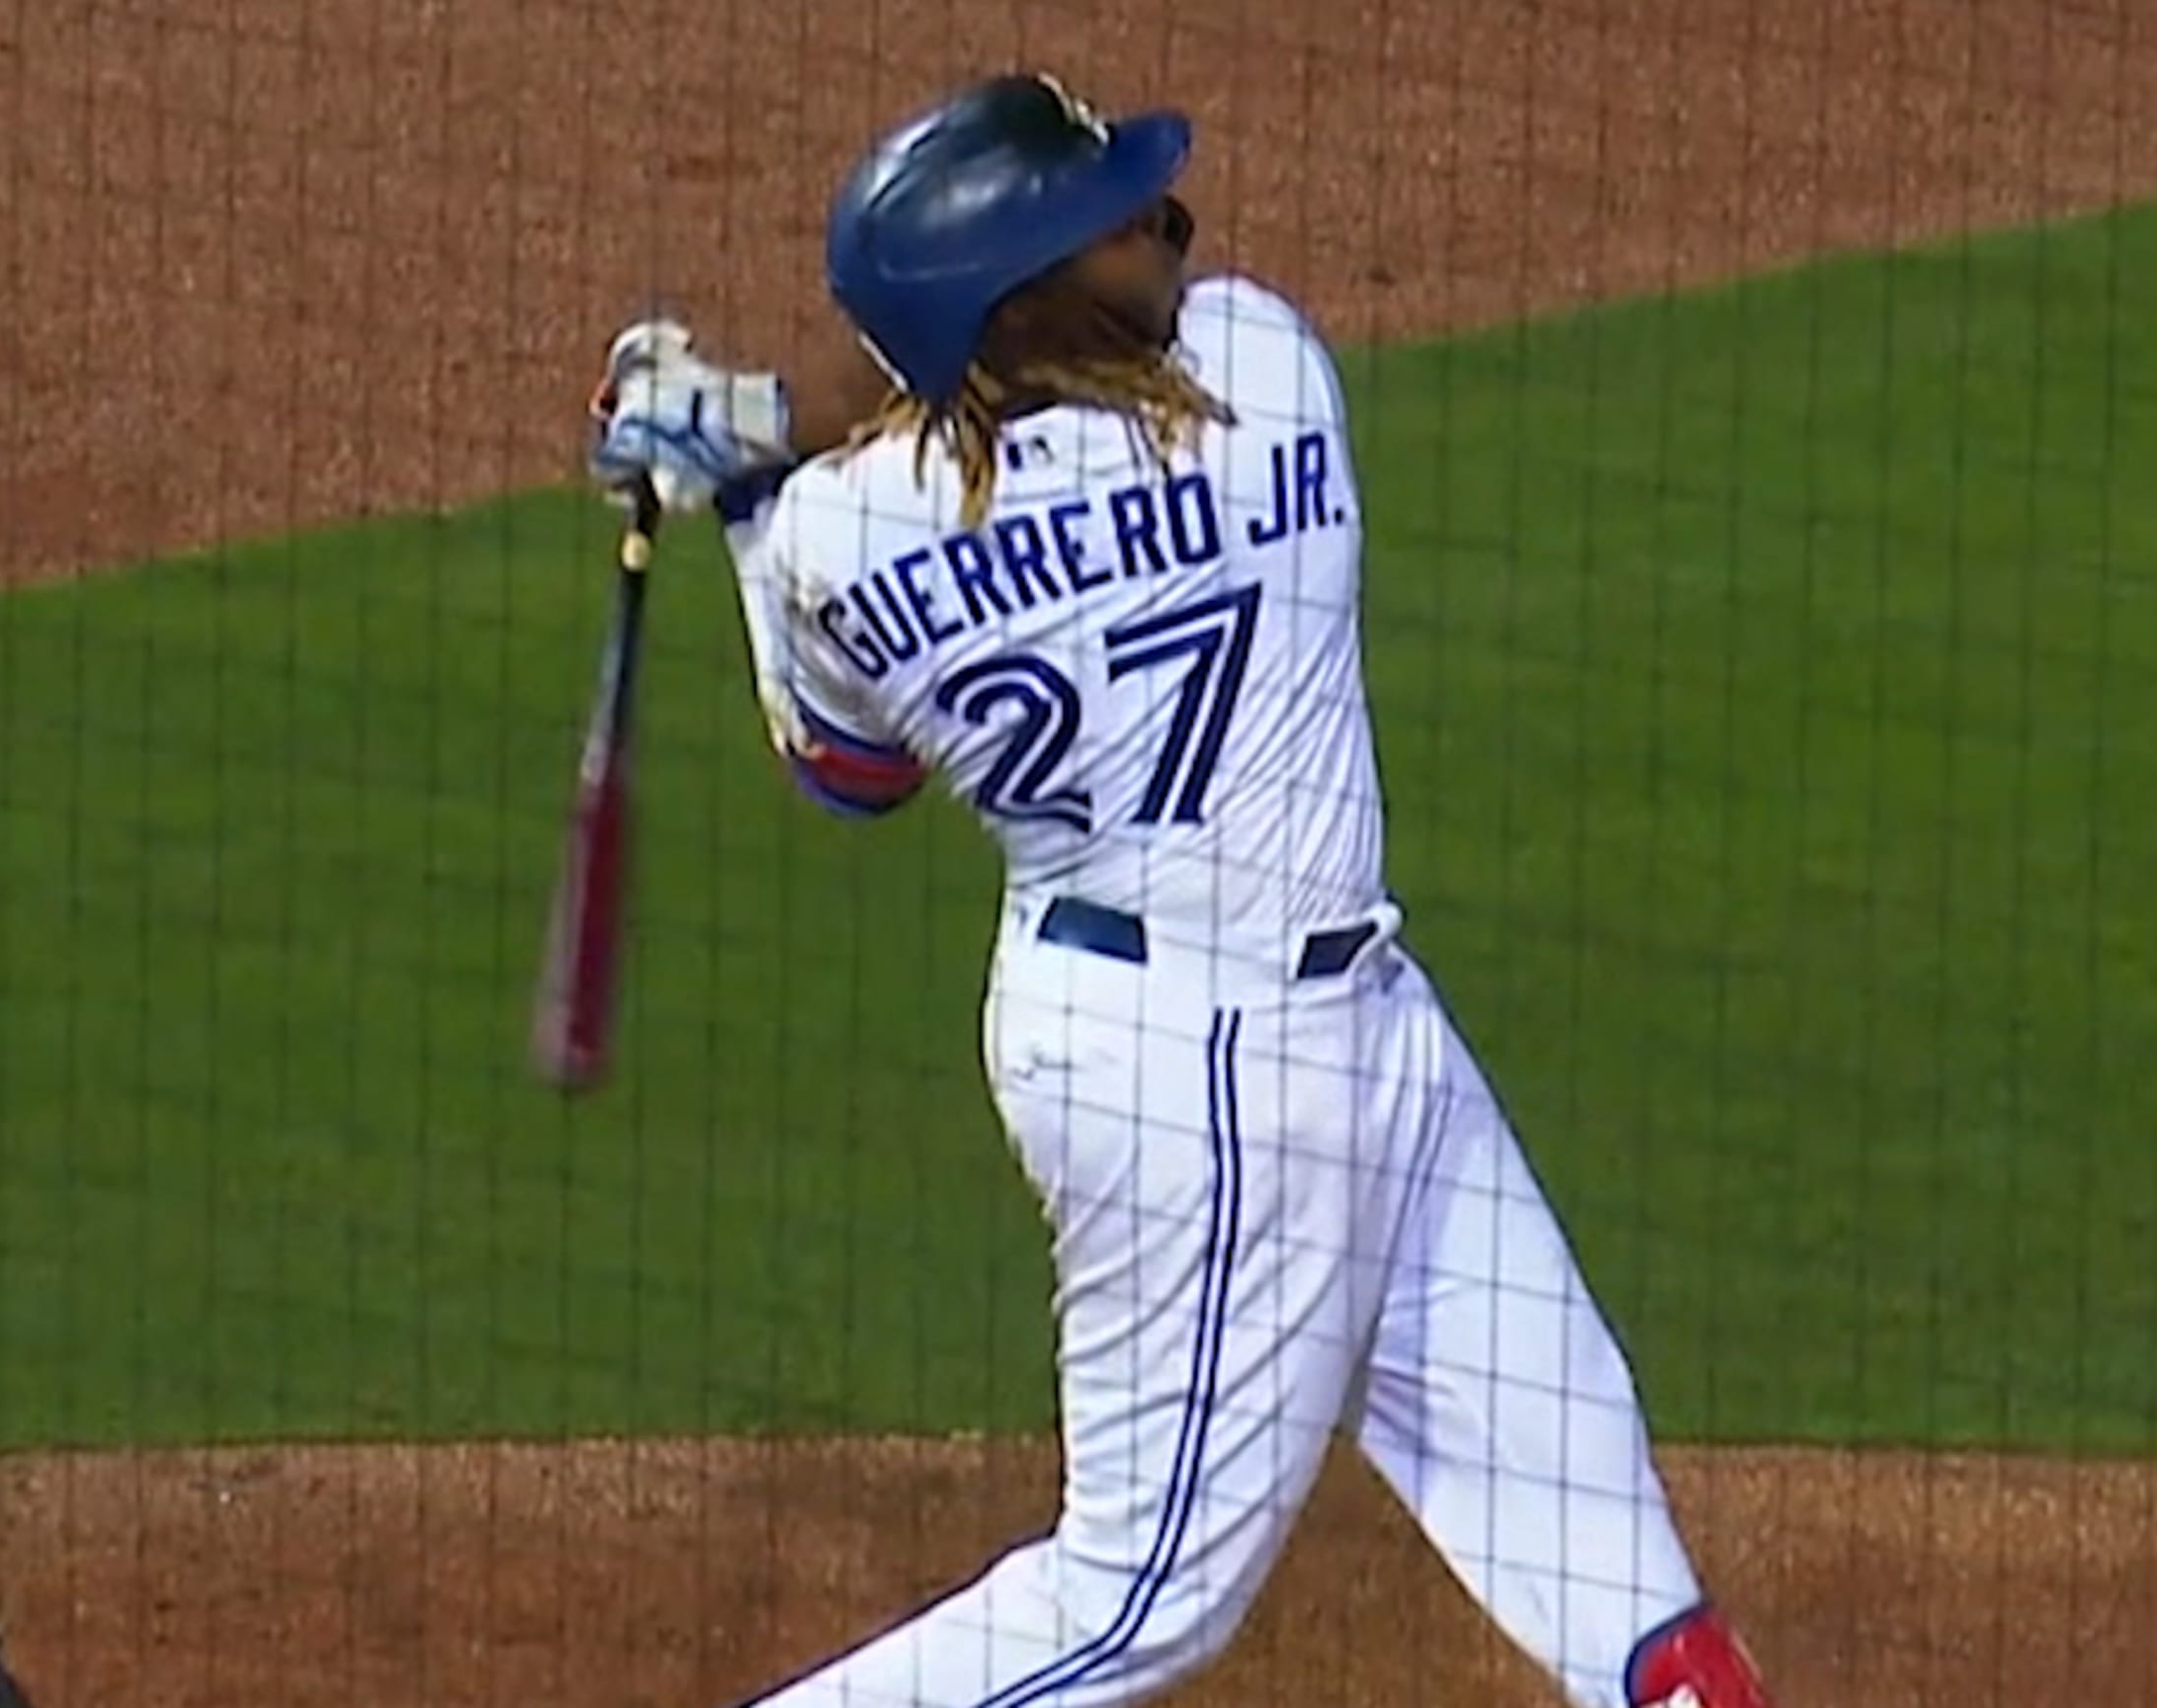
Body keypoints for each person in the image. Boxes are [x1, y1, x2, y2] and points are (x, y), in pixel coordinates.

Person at [583, 70, 1782, 1708]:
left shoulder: (838, 543)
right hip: (1216, 1086)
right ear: (1028, 297)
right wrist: (766, 426)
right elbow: (957, 392)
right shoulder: (1262, 370)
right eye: (1116, 222)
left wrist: (735, 474)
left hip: (1290, 1032)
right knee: (1135, 1600)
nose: (1170, 225)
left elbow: (847, 772)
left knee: (1606, 1549)